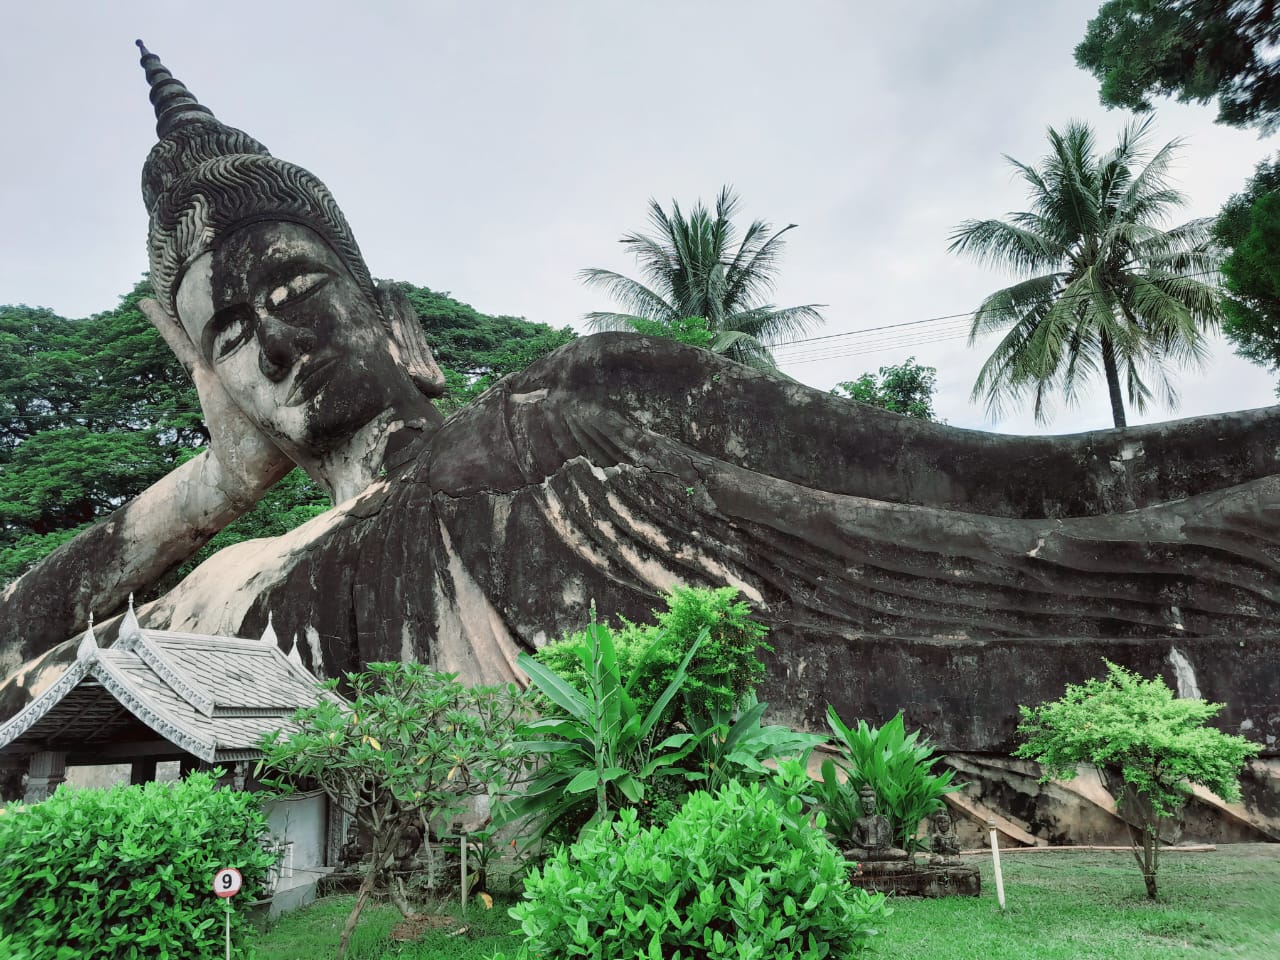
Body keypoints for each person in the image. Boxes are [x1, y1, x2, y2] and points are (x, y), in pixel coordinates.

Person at [2, 44, 1279, 802]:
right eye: (233, 337)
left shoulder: (561, 403)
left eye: (293, 289)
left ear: (397, 326)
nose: (277, 343)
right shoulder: (226, 576)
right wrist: (213, 486)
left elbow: (963, 483)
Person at [846, 785, 908, 861]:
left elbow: (889, 838)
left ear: (875, 804)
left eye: (871, 804)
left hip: (881, 851)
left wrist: (883, 845)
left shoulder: (881, 819)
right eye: (865, 804)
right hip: (865, 851)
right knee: (847, 854)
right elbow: (853, 836)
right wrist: (863, 845)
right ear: (861, 805)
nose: (868, 807)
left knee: (903, 854)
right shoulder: (858, 821)